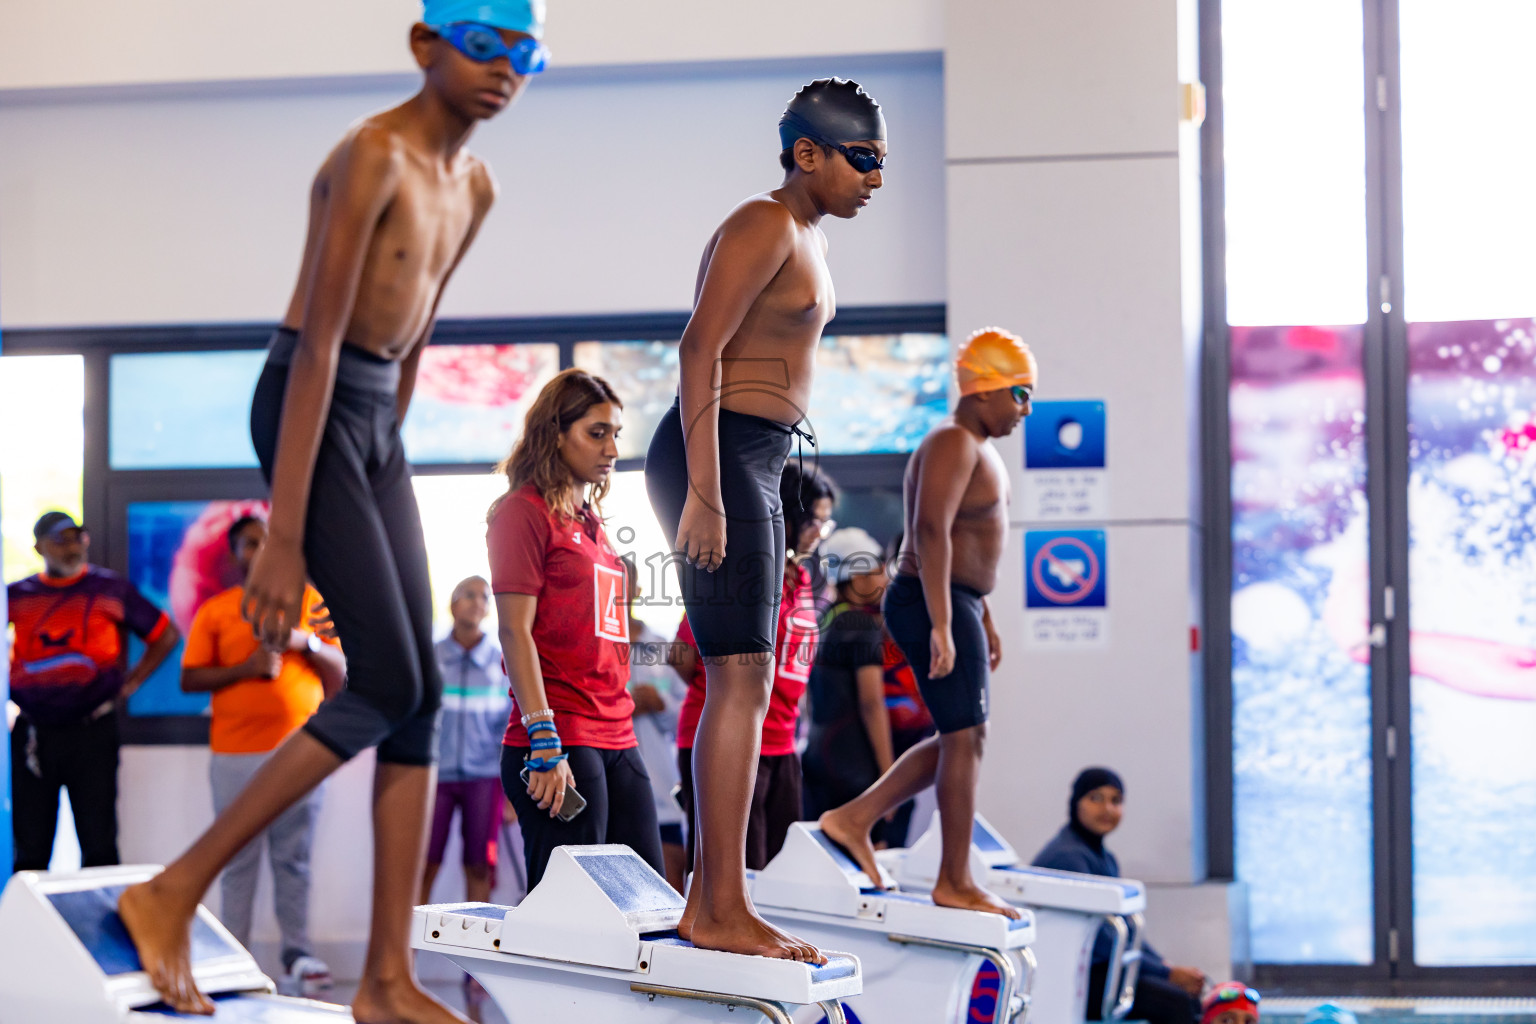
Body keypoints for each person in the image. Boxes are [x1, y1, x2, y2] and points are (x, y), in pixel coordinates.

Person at [117, 3, 547, 1016]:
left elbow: (416, 331)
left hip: (376, 419)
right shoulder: (373, 156)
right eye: (484, 47)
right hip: (307, 395)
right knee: (389, 678)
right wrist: (291, 531)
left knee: (422, 702)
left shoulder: (476, 184)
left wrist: (387, 455)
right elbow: (318, 344)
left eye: (526, 55)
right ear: (424, 44)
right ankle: (171, 890)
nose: (505, 72)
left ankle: (386, 979)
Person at [644, 76, 886, 961]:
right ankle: (716, 905)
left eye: (882, 163)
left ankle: (720, 900)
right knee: (737, 679)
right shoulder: (765, 223)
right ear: (807, 153)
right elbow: (698, 346)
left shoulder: (809, 237)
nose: (876, 178)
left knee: (746, 675)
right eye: (863, 159)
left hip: (758, 457)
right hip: (719, 453)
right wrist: (705, 494)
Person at [818, 327, 1036, 919]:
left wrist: (979, 614)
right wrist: (942, 621)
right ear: (984, 389)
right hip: (928, 597)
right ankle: (954, 880)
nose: (1025, 409)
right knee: (966, 737)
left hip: (956, 599)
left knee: (960, 736)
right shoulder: (951, 442)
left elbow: (968, 541)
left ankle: (853, 818)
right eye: (1020, 394)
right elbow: (932, 531)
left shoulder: (976, 447)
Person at [487, 369, 664, 890]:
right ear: (555, 433)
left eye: (616, 433)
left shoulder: (591, 525)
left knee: (648, 901)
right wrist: (543, 739)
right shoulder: (522, 513)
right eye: (596, 432)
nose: (611, 447)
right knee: (572, 919)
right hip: (559, 738)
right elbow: (514, 632)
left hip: (617, 730)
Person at [180, 514, 346, 996]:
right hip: (234, 755)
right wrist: (247, 668)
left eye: (268, 541)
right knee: (237, 859)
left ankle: (297, 954)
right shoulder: (217, 610)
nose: (260, 550)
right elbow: (189, 680)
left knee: (294, 859)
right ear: (236, 554)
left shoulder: (313, 605)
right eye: (250, 543)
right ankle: (236, 959)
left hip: (303, 754)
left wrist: (305, 643)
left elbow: (340, 678)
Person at [672, 463, 831, 874]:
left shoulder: (803, 579)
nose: (819, 533)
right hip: (735, 741)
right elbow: (682, 654)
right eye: (815, 521)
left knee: (780, 876)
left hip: (782, 743)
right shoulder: (746, 572)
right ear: (788, 516)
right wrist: (727, 693)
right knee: (736, 878)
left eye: (825, 524)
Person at [7, 511, 181, 872]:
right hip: (34, 734)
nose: (71, 547)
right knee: (31, 846)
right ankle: (29, 926)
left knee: (99, 843)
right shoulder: (18, 596)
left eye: (77, 537)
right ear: (39, 547)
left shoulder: (110, 589)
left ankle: (97, 926)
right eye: (61, 539)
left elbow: (165, 633)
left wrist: (132, 682)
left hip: (93, 732)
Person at [1032, 767, 1207, 1024]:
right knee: (1175, 1002)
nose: (1107, 809)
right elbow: (1101, 939)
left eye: (1116, 800)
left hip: (1102, 970)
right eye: (1096, 798)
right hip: (1072, 979)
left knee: (1185, 997)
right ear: (1075, 803)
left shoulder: (1103, 857)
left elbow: (1127, 929)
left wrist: (1164, 966)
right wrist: (1164, 973)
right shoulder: (1069, 857)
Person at [420, 576, 510, 1023]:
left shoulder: (500, 660)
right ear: (453, 604)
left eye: (485, 596)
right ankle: (404, 961)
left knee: (479, 868)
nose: (479, 602)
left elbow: (507, 727)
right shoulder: (431, 657)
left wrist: (509, 790)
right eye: (470, 594)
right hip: (434, 777)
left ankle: (475, 973)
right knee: (424, 865)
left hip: (482, 780)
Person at [802, 527, 893, 824]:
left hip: (818, 757)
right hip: (853, 763)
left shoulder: (824, 620)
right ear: (859, 577)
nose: (885, 580)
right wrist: (889, 777)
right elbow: (871, 704)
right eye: (879, 571)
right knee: (868, 860)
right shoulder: (862, 626)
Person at [620, 555, 690, 891]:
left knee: (670, 876)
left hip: (663, 783)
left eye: (626, 581)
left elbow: (688, 718)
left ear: (637, 588)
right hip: (613, 781)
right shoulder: (593, 645)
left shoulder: (661, 647)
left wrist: (661, 705)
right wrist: (621, 706)